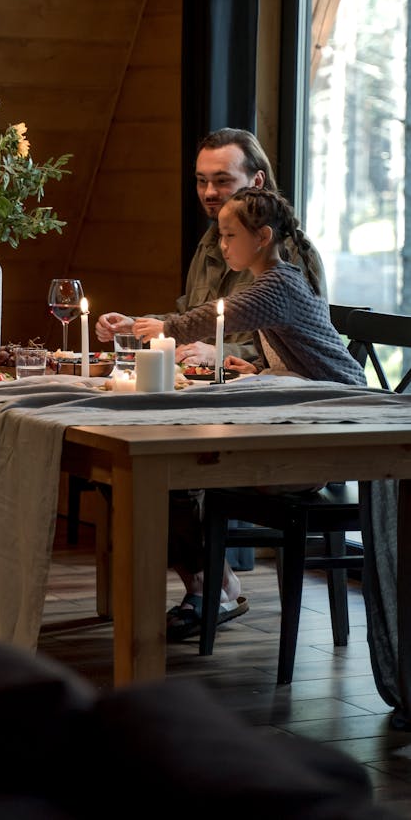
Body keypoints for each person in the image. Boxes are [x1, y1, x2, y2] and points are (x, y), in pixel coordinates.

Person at [132, 187, 366, 640]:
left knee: (182, 469)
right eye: (219, 236)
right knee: (181, 468)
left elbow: (219, 316)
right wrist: (257, 366)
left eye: (229, 235)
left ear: (261, 237)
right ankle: (212, 586)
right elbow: (295, 351)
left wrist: (164, 327)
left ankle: (212, 589)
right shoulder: (275, 281)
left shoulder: (277, 282)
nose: (222, 246)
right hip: (306, 412)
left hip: (333, 419)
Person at [95, 126, 328, 364]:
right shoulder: (211, 242)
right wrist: (136, 326)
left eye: (222, 180)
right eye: (201, 181)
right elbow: (189, 315)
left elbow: (297, 346)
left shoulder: (286, 254)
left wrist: (218, 353)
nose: (209, 192)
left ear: (257, 181)